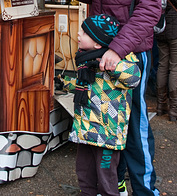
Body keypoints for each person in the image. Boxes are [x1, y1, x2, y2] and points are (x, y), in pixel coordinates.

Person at [54, 0, 162, 196]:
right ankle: (118, 184)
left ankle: (145, 190)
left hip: (128, 55)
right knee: (109, 126)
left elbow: (150, 7)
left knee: (135, 128)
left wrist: (118, 48)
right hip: (100, 54)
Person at [57, 14, 141, 196]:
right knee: (84, 174)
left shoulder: (116, 60)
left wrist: (112, 64)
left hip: (106, 136)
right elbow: (87, 87)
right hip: (86, 130)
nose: (78, 34)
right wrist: (64, 83)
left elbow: (134, 76)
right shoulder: (87, 61)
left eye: (84, 33)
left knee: (106, 179)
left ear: (97, 43)